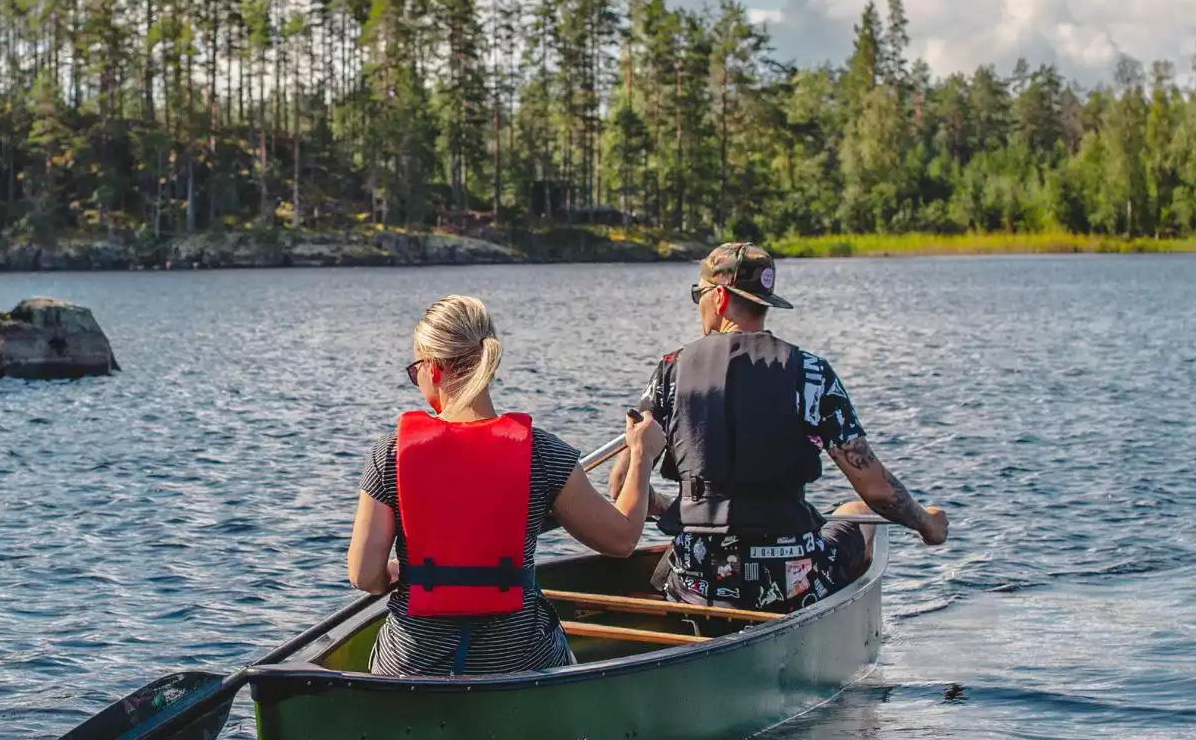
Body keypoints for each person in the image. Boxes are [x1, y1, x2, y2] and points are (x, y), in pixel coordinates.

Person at [608, 243, 947, 613]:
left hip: (695, 582)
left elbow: (620, 481)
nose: (699, 305)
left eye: (698, 295)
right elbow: (878, 492)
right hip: (789, 585)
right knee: (853, 513)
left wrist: (678, 506)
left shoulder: (669, 371)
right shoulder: (811, 373)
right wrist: (927, 524)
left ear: (719, 297)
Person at [348, 295, 666, 676]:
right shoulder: (541, 453)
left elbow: (365, 576)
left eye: (415, 370)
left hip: (413, 663)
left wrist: (399, 573)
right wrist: (642, 455)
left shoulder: (390, 454)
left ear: (432, 369)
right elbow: (622, 539)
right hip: (517, 658)